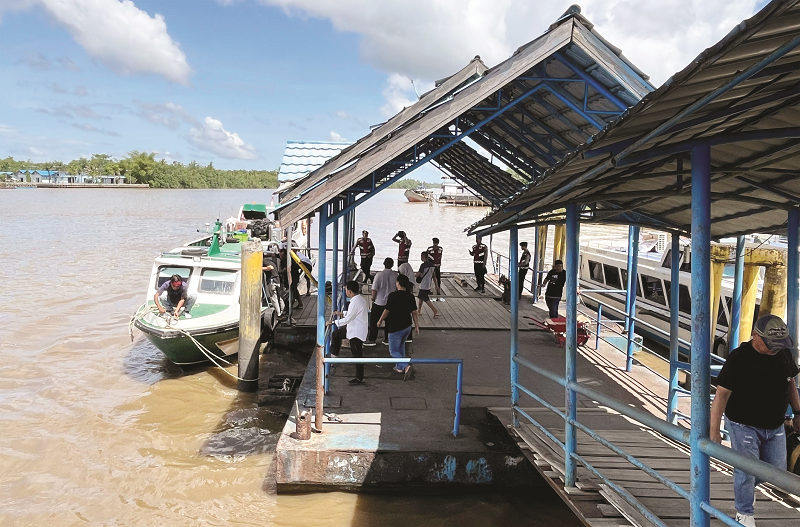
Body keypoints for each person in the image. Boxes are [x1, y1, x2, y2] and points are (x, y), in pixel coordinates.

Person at [710, 315, 800, 527]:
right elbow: (721, 394)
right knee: (747, 468)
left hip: (775, 424)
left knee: (776, 471)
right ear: (755, 335)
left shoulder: (783, 354)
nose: (775, 349)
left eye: (779, 345)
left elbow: (790, 384)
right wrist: (714, 431)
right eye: (771, 344)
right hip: (743, 423)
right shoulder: (739, 357)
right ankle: (744, 513)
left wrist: (798, 412)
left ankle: (743, 478)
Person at [326, 281, 369, 385]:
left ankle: (359, 378)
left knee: (357, 355)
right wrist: (342, 313)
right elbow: (352, 313)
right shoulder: (359, 299)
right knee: (336, 335)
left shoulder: (355, 302)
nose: (345, 292)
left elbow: (348, 319)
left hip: (356, 333)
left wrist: (332, 322)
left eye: (345, 290)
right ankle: (334, 356)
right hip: (354, 328)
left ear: (349, 291)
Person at [377, 274, 419, 379]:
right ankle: (399, 367)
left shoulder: (393, 296)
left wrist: (380, 320)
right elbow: (414, 312)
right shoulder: (410, 296)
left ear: (398, 284)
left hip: (395, 327)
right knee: (400, 346)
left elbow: (387, 310)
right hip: (407, 326)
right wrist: (417, 326)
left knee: (393, 350)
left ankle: (405, 366)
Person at [365, 258, 397, 346]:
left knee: (374, 321)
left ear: (384, 264)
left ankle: (372, 339)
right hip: (391, 302)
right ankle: (387, 339)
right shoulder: (395, 275)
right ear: (392, 264)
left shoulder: (379, 275)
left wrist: (373, 298)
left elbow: (374, 289)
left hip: (379, 302)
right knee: (389, 322)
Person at [415, 251, 440, 318]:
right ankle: (419, 311)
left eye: (421, 256)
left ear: (424, 257)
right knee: (420, 298)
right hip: (428, 284)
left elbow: (418, 274)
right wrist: (436, 286)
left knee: (426, 299)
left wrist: (413, 275)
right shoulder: (432, 266)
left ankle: (435, 311)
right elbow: (434, 277)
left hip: (423, 284)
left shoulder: (423, 265)